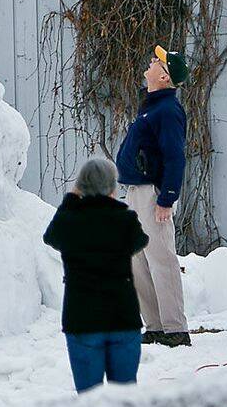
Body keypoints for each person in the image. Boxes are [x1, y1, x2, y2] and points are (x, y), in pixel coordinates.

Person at [43, 157, 148, 394]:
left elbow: (50, 236)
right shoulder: (125, 220)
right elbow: (141, 240)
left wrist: (72, 198)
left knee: (90, 400)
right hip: (122, 317)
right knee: (124, 397)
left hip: (82, 320)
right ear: (113, 187)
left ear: (81, 186)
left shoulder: (69, 222)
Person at [116, 44, 190, 348]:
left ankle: (175, 328)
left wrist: (166, 198)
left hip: (153, 195)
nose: (150, 61)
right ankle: (156, 326)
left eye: (156, 61)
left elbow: (175, 157)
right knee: (139, 260)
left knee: (161, 258)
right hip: (136, 191)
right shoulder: (150, 106)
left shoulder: (167, 110)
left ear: (164, 76)